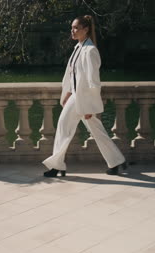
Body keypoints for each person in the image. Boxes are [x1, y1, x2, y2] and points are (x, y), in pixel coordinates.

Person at [42, 15, 127, 177]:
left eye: (76, 28)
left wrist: (89, 106)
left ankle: (57, 165)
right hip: (75, 96)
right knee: (96, 130)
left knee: (63, 127)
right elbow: (73, 75)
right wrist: (67, 92)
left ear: (86, 29)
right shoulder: (79, 48)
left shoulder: (90, 51)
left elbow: (93, 82)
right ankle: (117, 161)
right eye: (72, 28)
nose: (72, 31)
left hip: (82, 99)